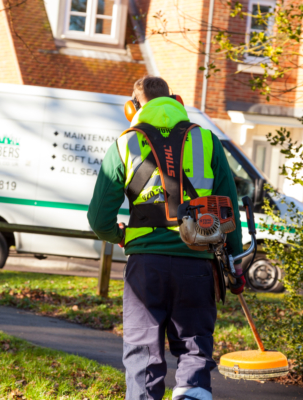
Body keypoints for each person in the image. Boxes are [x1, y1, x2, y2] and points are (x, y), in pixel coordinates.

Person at [87, 76, 244, 400]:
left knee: (143, 354)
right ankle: (191, 393)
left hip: (146, 266)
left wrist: (121, 235)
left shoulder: (125, 144)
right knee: (194, 348)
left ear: (133, 107)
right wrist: (235, 261)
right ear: (177, 101)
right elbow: (228, 211)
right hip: (198, 264)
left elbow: (98, 219)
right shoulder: (207, 141)